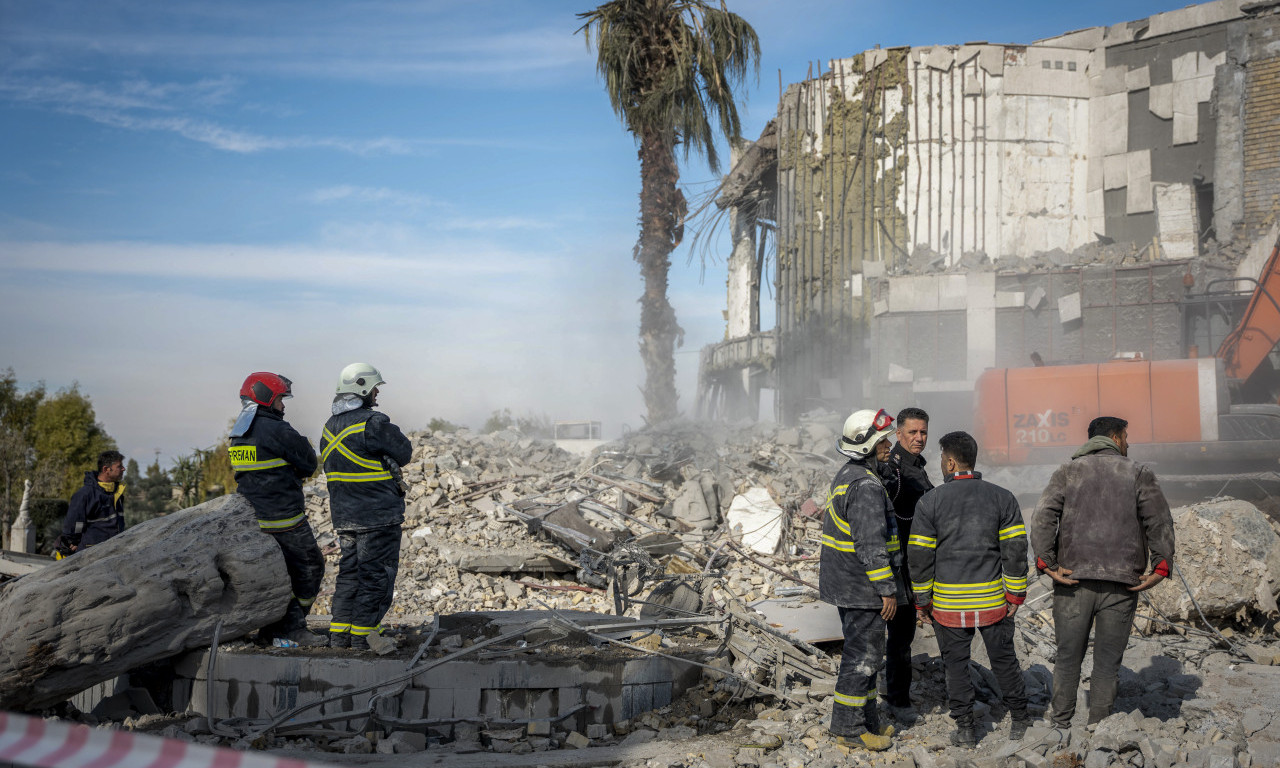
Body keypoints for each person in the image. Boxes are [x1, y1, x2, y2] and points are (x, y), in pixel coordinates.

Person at [1029, 416, 1174, 727]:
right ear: (1114, 438)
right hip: (1122, 584)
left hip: (1072, 581)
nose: (1128, 443)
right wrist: (1161, 565)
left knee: (1068, 657)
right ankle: (1099, 727)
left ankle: (1061, 723)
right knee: (1107, 663)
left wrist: (1048, 563)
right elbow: (1159, 520)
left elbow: (1042, 516)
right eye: (1126, 437)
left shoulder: (1067, 472)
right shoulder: (1138, 473)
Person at [908, 431, 1030, 748]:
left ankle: (965, 729)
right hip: (993, 602)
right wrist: (1016, 593)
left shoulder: (930, 502)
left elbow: (920, 558)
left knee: (956, 667)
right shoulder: (1003, 497)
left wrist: (922, 603)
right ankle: (1020, 719)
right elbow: (1015, 550)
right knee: (1004, 661)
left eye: (940, 459)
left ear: (949, 461)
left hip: (948, 606)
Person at [820, 407, 910, 752]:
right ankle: (848, 728)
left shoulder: (849, 474)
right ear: (865, 446)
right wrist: (887, 589)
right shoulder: (866, 487)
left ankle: (868, 721)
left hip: (849, 584)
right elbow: (872, 546)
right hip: (862, 589)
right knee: (863, 657)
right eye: (881, 440)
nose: (888, 445)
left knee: (868, 656)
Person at [229, 372, 328, 647]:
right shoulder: (276, 429)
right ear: (266, 398)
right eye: (281, 399)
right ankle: (291, 627)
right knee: (310, 568)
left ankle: (270, 627)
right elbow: (309, 464)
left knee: (273, 575)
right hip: (285, 519)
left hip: (252, 519)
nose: (283, 407)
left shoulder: (237, 434)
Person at [322, 363, 412, 653]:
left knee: (349, 575)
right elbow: (404, 452)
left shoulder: (328, 426)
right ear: (362, 389)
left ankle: (340, 637)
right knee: (375, 577)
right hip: (377, 517)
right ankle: (363, 638)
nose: (377, 394)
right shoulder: (373, 423)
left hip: (346, 518)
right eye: (375, 388)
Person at [876, 406, 933, 725]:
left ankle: (893, 692)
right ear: (898, 434)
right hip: (898, 569)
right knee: (900, 635)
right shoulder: (894, 469)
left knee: (904, 634)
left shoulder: (917, 467)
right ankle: (897, 700)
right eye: (912, 432)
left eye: (923, 432)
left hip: (913, 567)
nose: (919, 438)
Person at [59, 450, 127, 554]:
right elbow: (75, 523)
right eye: (119, 466)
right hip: (91, 554)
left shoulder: (117, 493)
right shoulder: (85, 494)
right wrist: (72, 541)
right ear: (106, 469)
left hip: (114, 552)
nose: (123, 469)